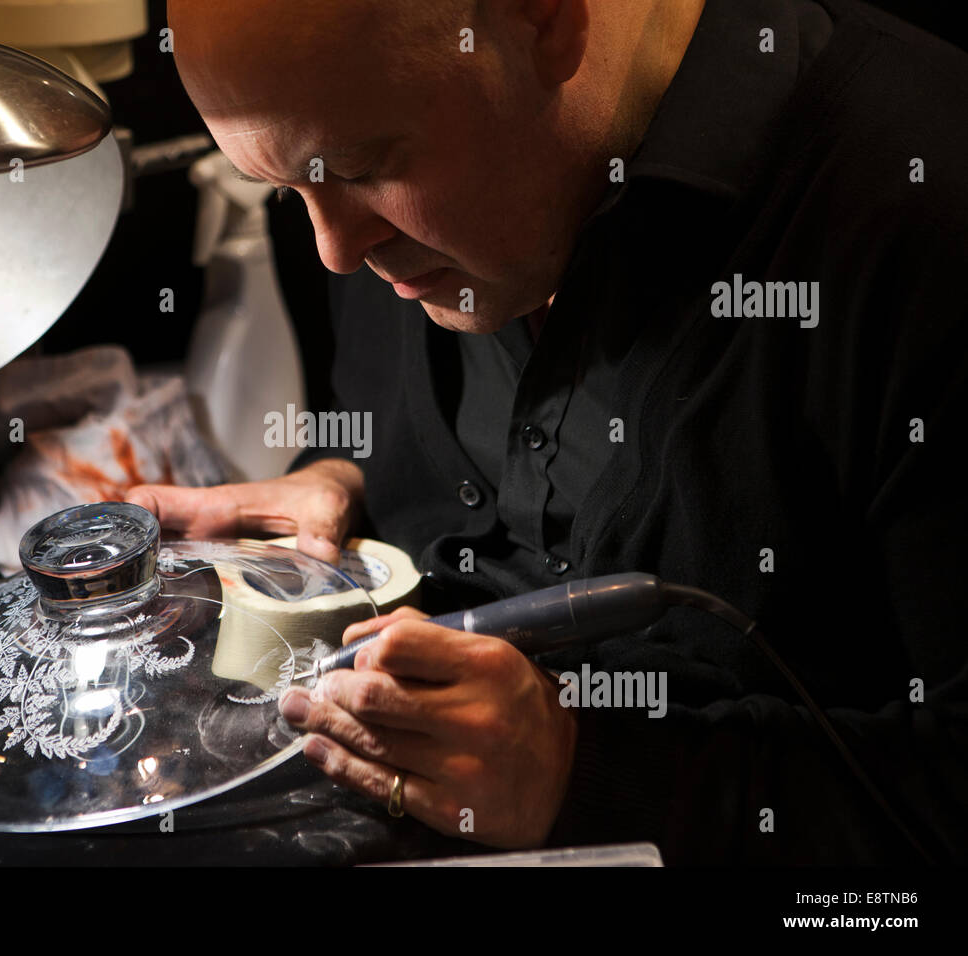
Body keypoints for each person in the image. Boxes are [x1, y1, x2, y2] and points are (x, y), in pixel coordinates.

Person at [126, 0, 968, 863]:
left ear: (545, 17)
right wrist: (344, 485)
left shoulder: (924, 215)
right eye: (286, 188)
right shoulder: (373, 150)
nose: (335, 249)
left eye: (358, 165)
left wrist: (582, 774)